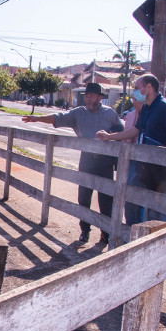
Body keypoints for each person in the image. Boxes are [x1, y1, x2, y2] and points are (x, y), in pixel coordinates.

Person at [22, 82, 124, 244]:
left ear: (100, 97)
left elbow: (121, 133)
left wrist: (112, 138)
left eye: (91, 96)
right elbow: (57, 118)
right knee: (83, 197)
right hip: (87, 160)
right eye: (86, 96)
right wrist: (36, 118)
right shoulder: (78, 113)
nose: (88, 99)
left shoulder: (110, 114)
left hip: (105, 161)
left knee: (106, 199)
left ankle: (106, 233)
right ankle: (85, 230)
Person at [96, 74, 166, 225]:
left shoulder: (165, 108)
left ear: (148, 87)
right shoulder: (147, 109)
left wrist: (160, 156)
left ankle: (154, 245)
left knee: (156, 212)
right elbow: (136, 131)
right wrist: (109, 137)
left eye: (137, 88)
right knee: (132, 202)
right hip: (143, 166)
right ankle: (130, 239)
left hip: (159, 170)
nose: (135, 92)